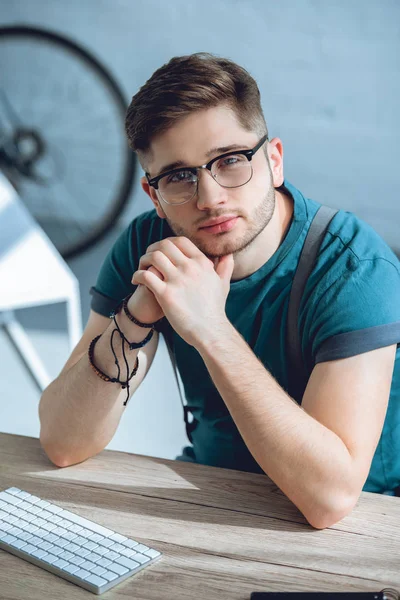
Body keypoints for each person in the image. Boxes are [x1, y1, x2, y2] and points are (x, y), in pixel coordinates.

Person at [39, 53, 400, 529]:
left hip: (364, 521)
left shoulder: (354, 269)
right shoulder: (147, 248)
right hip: (213, 492)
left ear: (273, 161)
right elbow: (64, 442)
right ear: (155, 196)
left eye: (230, 161)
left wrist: (210, 327)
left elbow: (329, 499)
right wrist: (135, 318)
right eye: (180, 177)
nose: (210, 199)